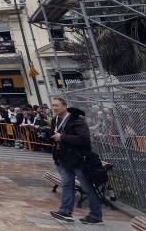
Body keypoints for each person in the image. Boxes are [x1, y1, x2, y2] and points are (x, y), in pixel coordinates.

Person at [48, 96, 102, 224]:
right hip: (62, 158)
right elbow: (56, 136)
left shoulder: (76, 120)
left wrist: (62, 137)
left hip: (78, 159)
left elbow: (83, 139)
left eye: (57, 105)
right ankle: (65, 212)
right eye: (53, 105)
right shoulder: (54, 120)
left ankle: (96, 215)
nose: (54, 108)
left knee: (87, 187)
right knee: (67, 184)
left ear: (65, 106)